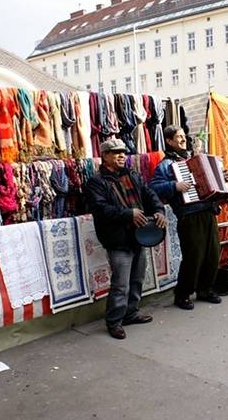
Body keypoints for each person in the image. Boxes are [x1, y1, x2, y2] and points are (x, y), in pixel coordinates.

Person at [85, 138, 166, 339]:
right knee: (121, 284)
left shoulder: (133, 175)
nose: (122, 155)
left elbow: (150, 195)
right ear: (105, 156)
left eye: (123, 152)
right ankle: (114, 321)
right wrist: (128, 214)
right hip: (118, 239)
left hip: (139, 236)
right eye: (116, 152)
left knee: (137, 279)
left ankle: (130, 313)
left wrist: (158, 210)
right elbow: (100, 209)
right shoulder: (96, 182)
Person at [150, 125, 227, 310]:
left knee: (212, 254)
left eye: (184, 136)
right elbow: (153, 187)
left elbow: (214, 180)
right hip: (189, 215)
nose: (183, 139)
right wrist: (174, 186)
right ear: (169, 141)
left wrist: (223, 177)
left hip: (208, 211)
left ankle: (205, 290)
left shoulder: (194, 159)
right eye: (178, 137)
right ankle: (182, 294)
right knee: (194, 256)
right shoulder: (165, 165)